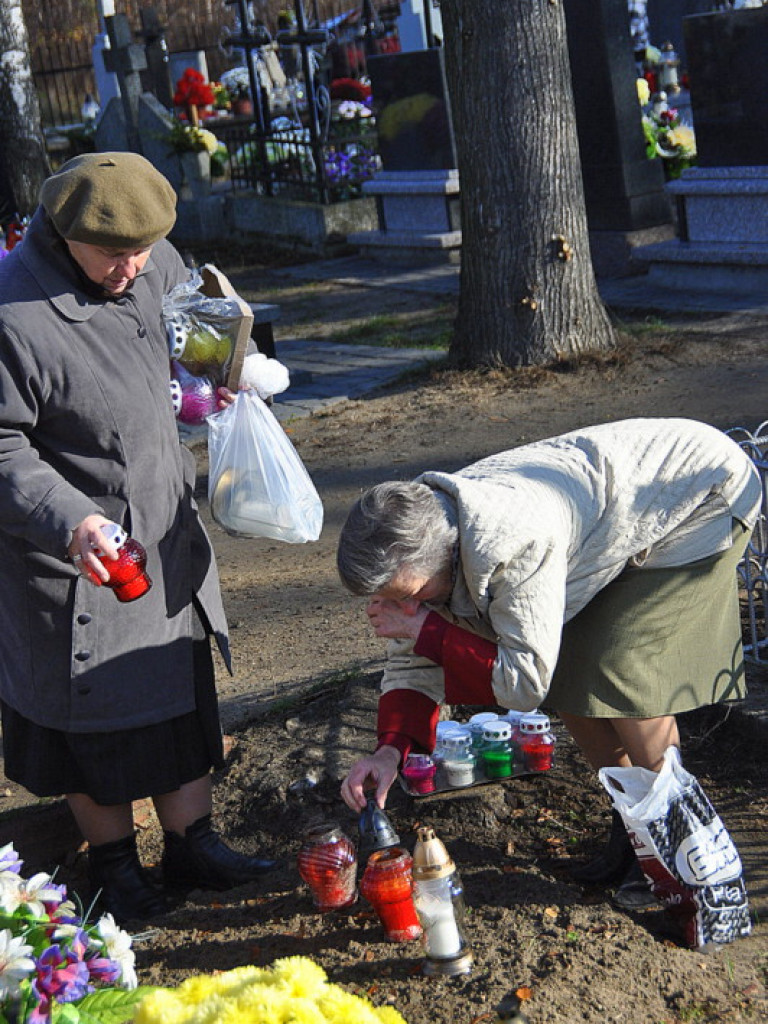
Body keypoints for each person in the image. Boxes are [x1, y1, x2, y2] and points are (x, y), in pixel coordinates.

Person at [0, 152, 278, 924]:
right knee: (100, 724)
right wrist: (71, 518)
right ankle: (114, 866)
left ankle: (194, 843)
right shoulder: (14, 312)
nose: (136, 267)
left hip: (164, 527)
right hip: (75, 556)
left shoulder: (153, 263)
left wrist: (229, 367)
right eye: (117, 254)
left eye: (147, 250)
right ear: (64, 235)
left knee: (179, 699)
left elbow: (189, 332)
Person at [336, 418, 761, 910]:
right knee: (571, 673)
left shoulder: (512, 541)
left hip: (697, 495)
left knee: (622, 669)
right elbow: (415, 660)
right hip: (612, 512)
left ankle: (676, 845)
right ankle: (635, 835)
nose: (401, 608)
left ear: (439, 556)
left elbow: (523, 684)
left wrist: (427, 630)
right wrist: (390, 751)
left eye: (405, 596)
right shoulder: (425, 550)